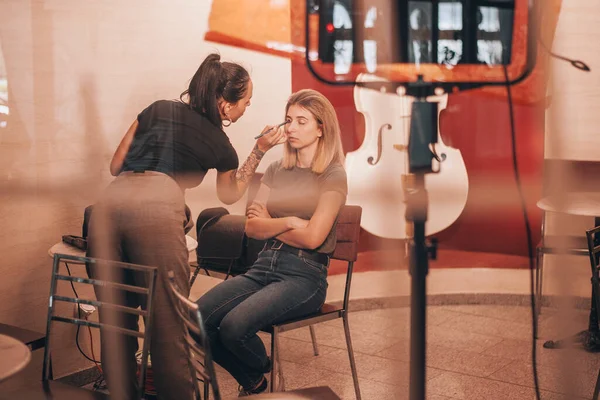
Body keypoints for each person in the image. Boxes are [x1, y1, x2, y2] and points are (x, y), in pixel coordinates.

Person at [86, 53, 285, 400]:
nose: (246, 109)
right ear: (224, 104)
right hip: (156, 209)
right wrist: (259, 151)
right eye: (246, 102)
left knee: (116, 317)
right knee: (169, 324)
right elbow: (230, 194)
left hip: (105, 207)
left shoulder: (158, 108)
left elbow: (117, 165)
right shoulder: (222, 145)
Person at [196, 89, 348, 396]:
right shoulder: (277, 170)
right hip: (263, 266)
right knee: (194, 319)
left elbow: (314, 237)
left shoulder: (333, 175)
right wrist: (291, 222)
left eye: (301, 121)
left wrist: (271, 223)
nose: (290, 128)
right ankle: (257, 377)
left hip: (305, 275)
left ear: (322, 128)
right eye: (289, 120)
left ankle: (255, 379)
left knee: (234, 327)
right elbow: (251, 228)